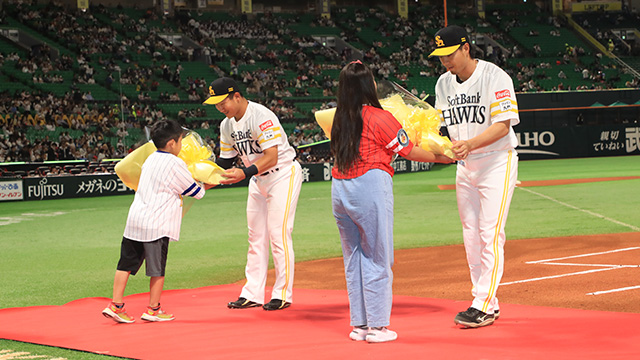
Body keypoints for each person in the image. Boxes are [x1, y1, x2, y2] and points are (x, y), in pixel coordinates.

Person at [330, 61, 453, 343]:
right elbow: (408, 150)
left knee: (354, 258)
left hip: (339, 189)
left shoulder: (339, 117)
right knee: (377, 255)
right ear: (368, 85)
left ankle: (360, 325)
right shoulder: (378, 116)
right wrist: (442, 156)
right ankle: (377, 327)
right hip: (369, 185)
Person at [429, 25, 519, 328]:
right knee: (470, 235)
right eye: (440, 55)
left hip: (496, 162)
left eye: (449, 53)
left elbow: (503, 125)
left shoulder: (495, 77)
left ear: (466, 48)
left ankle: (480, 303)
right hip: (465, 167)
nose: (445, 61)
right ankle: (487, 303)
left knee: (489, 234)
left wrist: (469, 144)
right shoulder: (443, 84)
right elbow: (441, 127)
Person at [203, 77, 303, 311]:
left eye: (222, 102)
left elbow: (272, 156)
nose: (220, 108)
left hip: (282, 175)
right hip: (258, 179)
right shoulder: (227, 125)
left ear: (236, 96)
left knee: (278, 234)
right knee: (255, 237)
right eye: (216, 104)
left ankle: (282, 294)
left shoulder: (261, 115)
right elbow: (225, 160)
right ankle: (252, 294)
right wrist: (208, 178)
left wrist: (244, 173)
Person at [102, 119, 212, 323]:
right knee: (157, 269)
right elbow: (196, 192)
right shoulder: (175, 163)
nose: (181, 145)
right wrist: (210, 180)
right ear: (171, 143)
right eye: (180, 140)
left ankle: (116, 305)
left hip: (135, 220)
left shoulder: (151, 158)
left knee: (125, 264)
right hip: (157, 224)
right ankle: (154, 309)